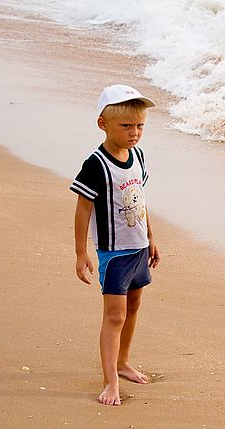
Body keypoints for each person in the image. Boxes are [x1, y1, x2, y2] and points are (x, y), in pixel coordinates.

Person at [71, 84, 161, 406]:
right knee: (114, 316)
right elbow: (83, 208)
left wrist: (151, 237)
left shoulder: (137, 155)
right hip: (114, 253)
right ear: (103, 124)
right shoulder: (96, 165)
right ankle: (110, 382)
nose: (134, 132)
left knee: (133, 307)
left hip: (138, 248)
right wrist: (81, 252)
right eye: (126, 126)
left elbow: (141, 200)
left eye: (139, 126)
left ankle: (122, 362)